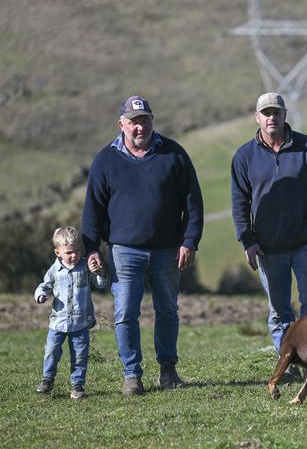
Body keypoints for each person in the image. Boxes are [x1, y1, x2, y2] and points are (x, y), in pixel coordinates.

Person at [82, 95, 204, 395]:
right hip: (124, 251)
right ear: (121, 124)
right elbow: (92, 209)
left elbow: (194, 203)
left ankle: (168, 370)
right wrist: (92, 248)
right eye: (134, 122)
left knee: (167, 311)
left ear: (153, 121)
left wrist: (190, 241)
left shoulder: (173, 154)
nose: (140, 127)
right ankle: (132, 374)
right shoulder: (106, 160)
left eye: (145, 120)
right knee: (125, 313)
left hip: (168, 250)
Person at [230, 92, 307, 360]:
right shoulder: (244, 156)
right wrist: (248, 240)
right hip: (268, 248)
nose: (271, 118)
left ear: (284, 115)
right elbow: (239, 203)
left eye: (276, 112)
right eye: (266, 113)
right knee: (279, 310)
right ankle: (287, 361)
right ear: (257, 118)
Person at [34, 226, 107, 399]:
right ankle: (48, 378)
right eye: (69, 252)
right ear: (57, 252)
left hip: (80, 322)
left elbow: (101, 284)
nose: (74, 255)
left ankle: (77, 385)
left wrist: (100, 272)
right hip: (58, 322)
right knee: (52, 350)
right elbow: (44, 285)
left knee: (80, 355)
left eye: (77, 251)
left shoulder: (85, 267)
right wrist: (41, 294)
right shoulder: (54, 271)